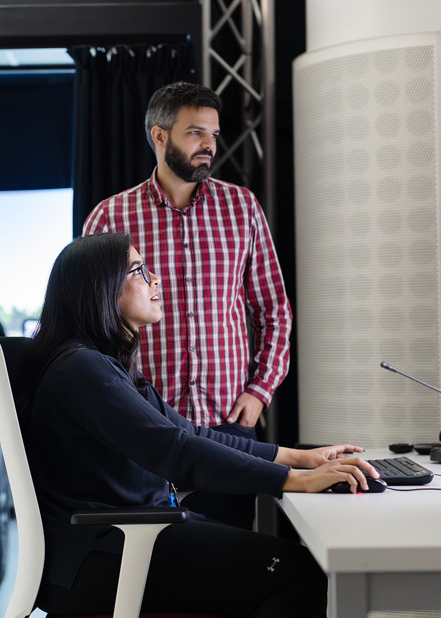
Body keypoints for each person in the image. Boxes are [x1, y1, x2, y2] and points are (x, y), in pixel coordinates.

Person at [19, 233, 377, 618]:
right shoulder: (83, 370)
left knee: (290, 570)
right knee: (298, 574)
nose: (156, 280)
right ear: (100, 289)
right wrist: (290, 481)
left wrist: (298, 459)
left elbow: (189, 433)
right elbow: (177, 452)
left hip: (120, 542)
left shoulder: (102, 365)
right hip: (101, 556)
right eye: (140, 271)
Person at [82, 81, 292, 433]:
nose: (209, 144)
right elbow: (89, 320)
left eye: (214, 134)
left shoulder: (243, 208)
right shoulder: (110, 217)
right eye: (196, 133)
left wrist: (260, 390)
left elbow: (274, 310)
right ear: (160, 137)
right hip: (144, 422)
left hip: (228, 422)